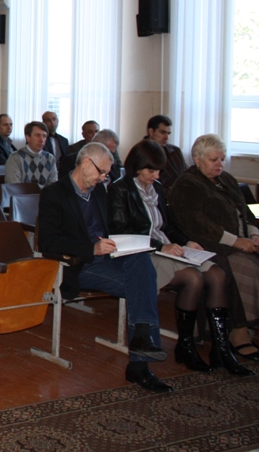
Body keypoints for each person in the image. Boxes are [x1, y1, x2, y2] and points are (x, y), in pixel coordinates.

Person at [38, 142, 172, 392]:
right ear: (86, 163)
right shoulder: (54, 193)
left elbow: (108, 228)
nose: (103, 178)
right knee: (143, 284)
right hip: (80, 264)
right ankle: (140, 359)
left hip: (108, 256)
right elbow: (48, 242)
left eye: (107, 174)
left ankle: (142, 341)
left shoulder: (99, 191)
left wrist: (121, 243)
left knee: (142, 260)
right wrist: (91, 248)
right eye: (101, 172)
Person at [109, 140, 250, 375]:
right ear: (136, 166)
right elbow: (121, 232)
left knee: (217, 274)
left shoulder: (157, 188)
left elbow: (168, 226)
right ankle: (186, 345)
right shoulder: (120, 189)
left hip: (166, 246)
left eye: (159, 171)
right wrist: (160, 247)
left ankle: (221, 347)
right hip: (142, 253)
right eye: (151, 170)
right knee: (193, 278)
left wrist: (186, 241)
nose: (156, 176)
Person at [168, 134, 259, 361]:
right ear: (197, 159)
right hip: (209, 244)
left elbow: (246, 211)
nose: (219, 164)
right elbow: (198, 224)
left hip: (241, 240)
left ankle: (249, 326)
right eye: (213, 160)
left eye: (222, 159)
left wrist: (254, 234)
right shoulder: (186, 184)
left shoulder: (226, 179)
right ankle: (237, 330)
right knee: (245, 267)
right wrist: (237, 241)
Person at [4, 121, 57, 186]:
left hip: (45, 193)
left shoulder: (50, 158)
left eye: (44, 136)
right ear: (28, 138)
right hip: (22, 193)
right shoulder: (15, 158)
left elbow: (53, 186)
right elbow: (14, 187)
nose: (41, 140)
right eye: (37, 135)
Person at [145, 115, 188, 187]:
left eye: (168, 133)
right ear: (151, 131)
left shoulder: (175, 151)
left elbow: (186, 174)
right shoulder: (142, 153)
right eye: (162, 132)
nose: (167, 137)